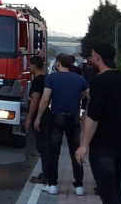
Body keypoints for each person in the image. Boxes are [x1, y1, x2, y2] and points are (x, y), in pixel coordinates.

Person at [74, 43, 121, 204]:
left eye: (93, 56)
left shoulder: (99, 82)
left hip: (103, 147)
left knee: (107, 193)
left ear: (98, 57)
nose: (91, 59)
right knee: (115, 189)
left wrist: (83, 145)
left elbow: (94, 116)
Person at [34, 53, 90, 196]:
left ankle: (52, 185)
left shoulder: (51, 78)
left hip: (56, 117)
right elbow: (91, 95)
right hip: (73, 118)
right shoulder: (79, 79)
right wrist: (85, 111)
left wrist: (38, 117)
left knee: (54, 152)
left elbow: (45, 99)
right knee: (75, 152)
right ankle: (79, 186)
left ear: (58, 63)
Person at [24, 56, 49, 184]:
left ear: (34, 66)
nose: (29, 68)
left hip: (40, 117)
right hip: (46, 116)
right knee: (44, 146)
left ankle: (46, 175)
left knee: (42, 146)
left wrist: (29, 118)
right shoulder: (46, 79)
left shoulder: (38, 81)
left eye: (30, 65)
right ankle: (47, 173)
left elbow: (35, 101)